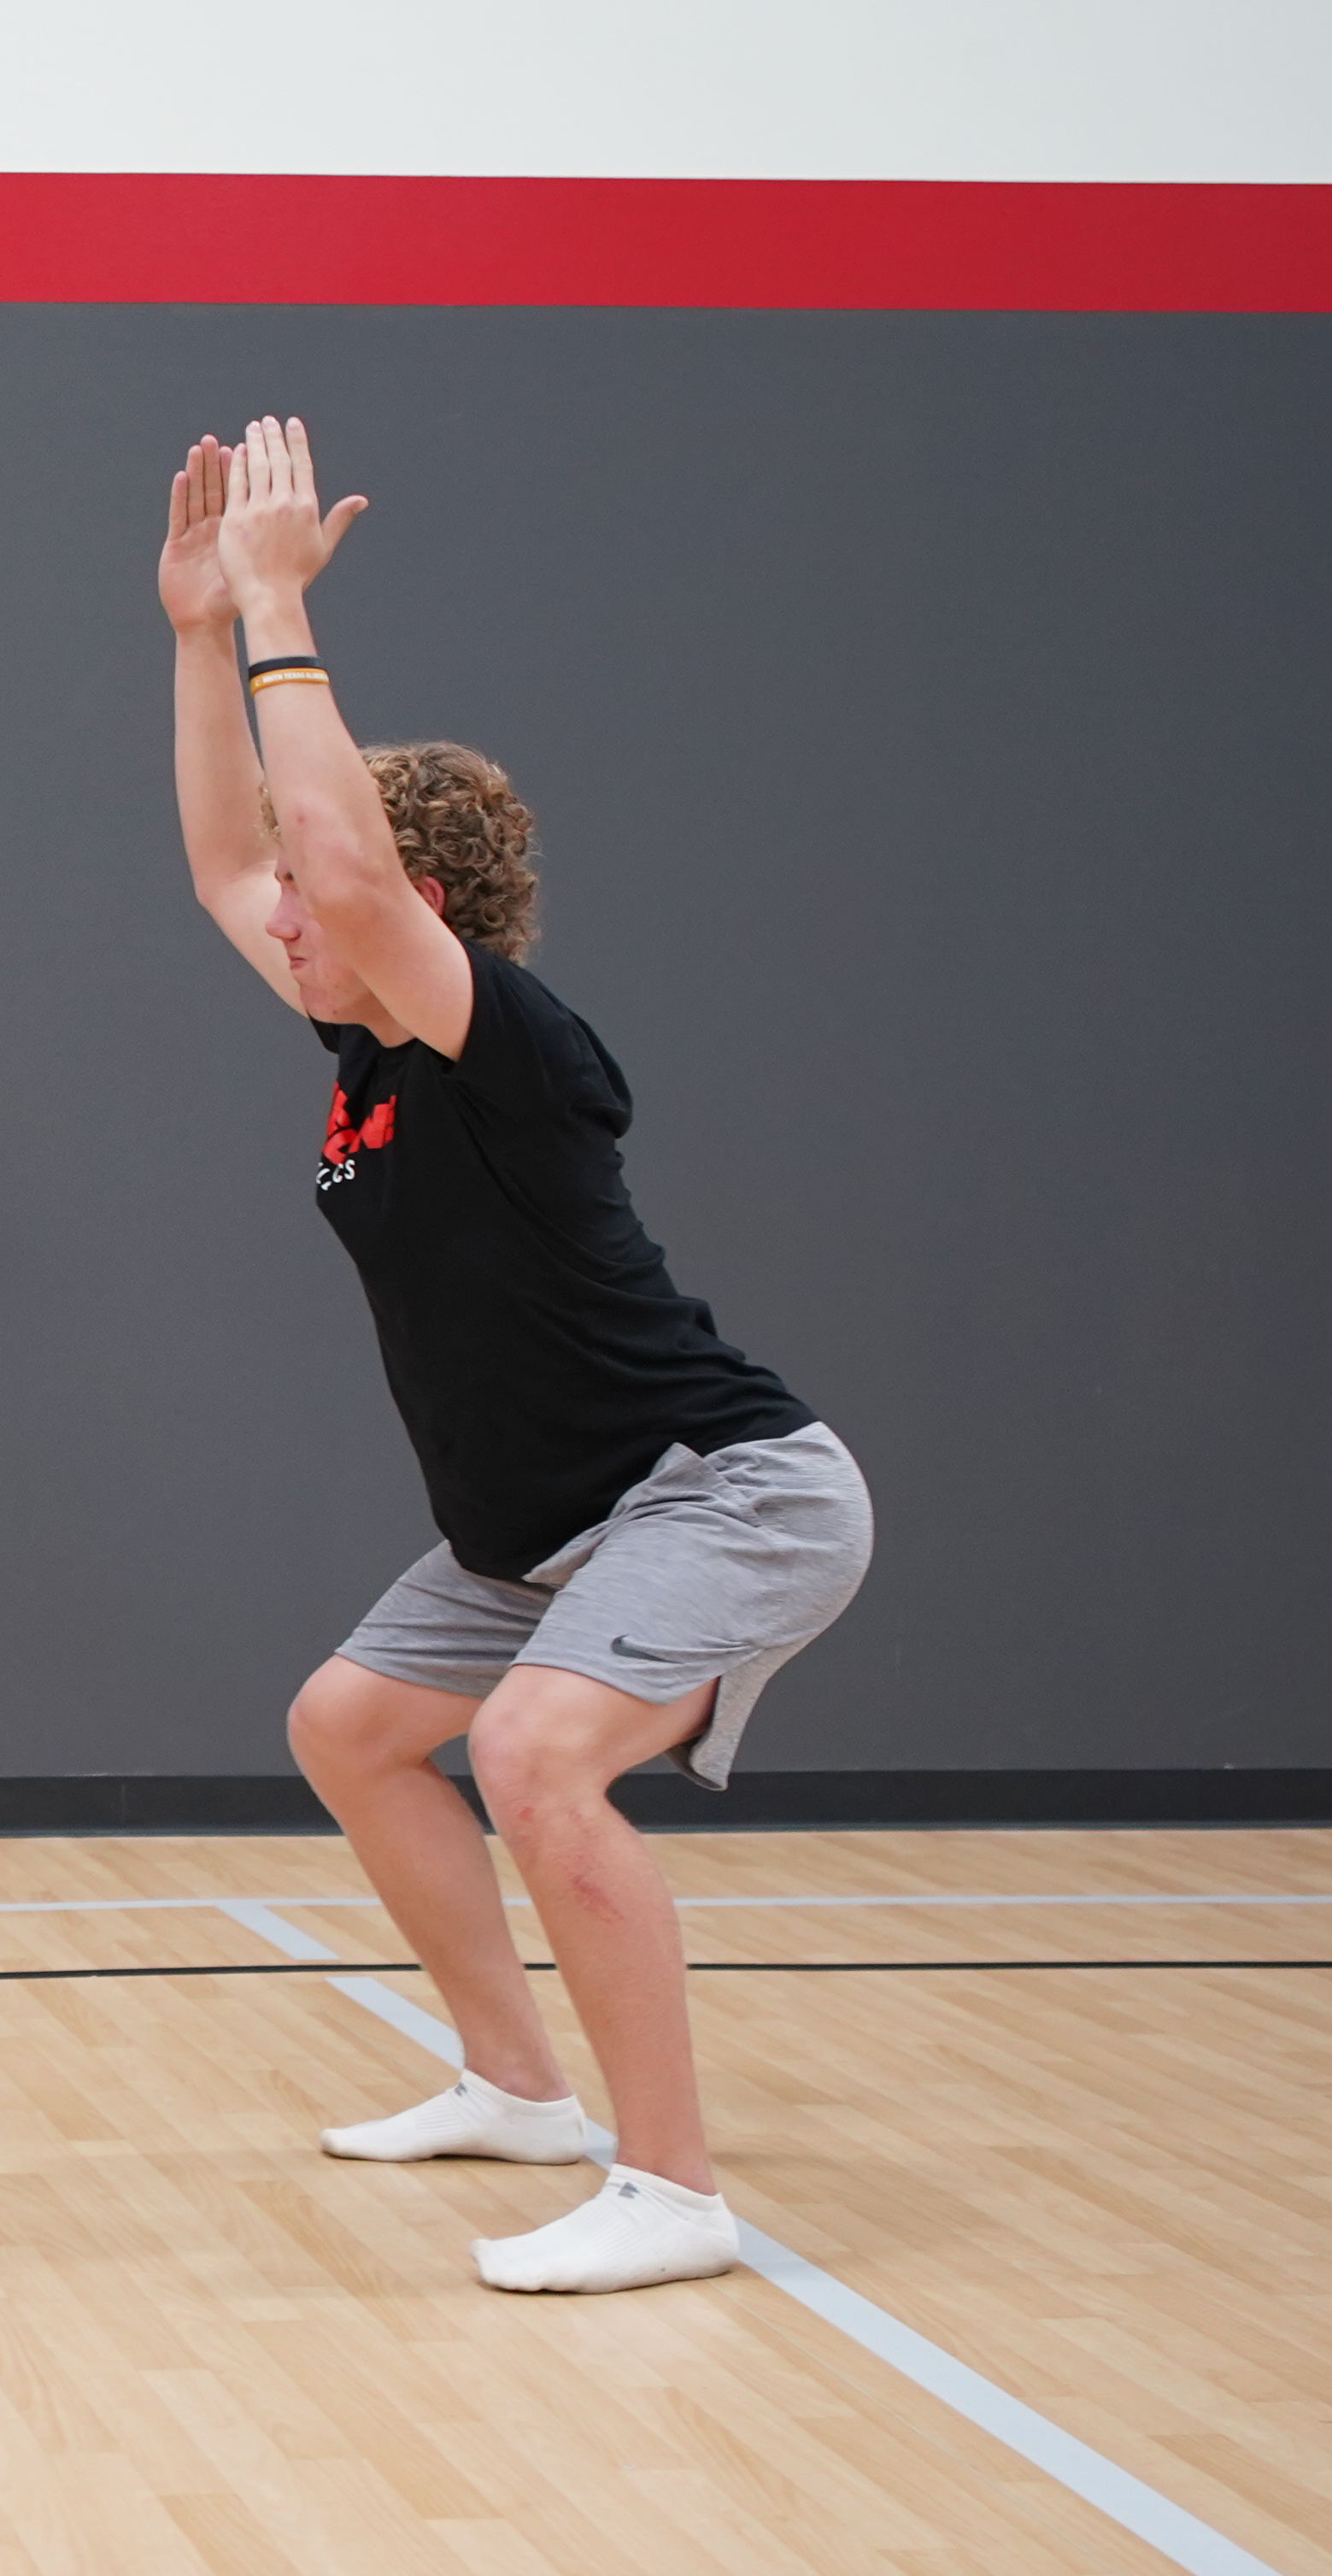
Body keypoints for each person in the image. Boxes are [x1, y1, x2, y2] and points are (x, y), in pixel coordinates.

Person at [160, 417, 871, 2294]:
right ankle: (517, 2086)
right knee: (352, 1727)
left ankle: (674, 2188)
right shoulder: (365, 1046)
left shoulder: (507, 1042)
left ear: (418, 910)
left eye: (323, 895)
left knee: (539, 1758)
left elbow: (333, 866)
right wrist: (195, 634)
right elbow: (234, 854)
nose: (283, 915)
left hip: (722, 1495)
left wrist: (281, 607)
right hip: (538, 1530)